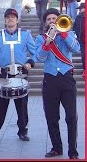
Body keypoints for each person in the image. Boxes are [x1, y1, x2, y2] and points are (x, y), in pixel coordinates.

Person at [35, 8, 80, 159]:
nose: (52, 21)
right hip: (50, 80)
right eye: (49, 19)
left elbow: (76, 48)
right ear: (45, 23)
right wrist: (47, 42)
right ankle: (56, 147)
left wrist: (64, 33)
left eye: (54, 18)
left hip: (67, 79)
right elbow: (39, 59)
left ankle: (72, 152)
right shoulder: (41, 38)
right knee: (52, 116)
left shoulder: (69, 34)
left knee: (71, 116)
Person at [0, 8, 36, 142]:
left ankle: (22, 131)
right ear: (5, 20)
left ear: (17, 20)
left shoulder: (25, 35)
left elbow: (35, 51)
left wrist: (30, 63)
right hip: (4, 75)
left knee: (22, 106)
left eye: (13, 17)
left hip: (20, 74)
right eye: (8, 17)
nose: (10, 19)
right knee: (0, 106)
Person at [73, 3, 85, 77]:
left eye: (81, 8)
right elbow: (74, 27)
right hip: (82, 41)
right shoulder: (78, 17)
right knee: (84, 56)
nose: (80, 10)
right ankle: (85, 70)